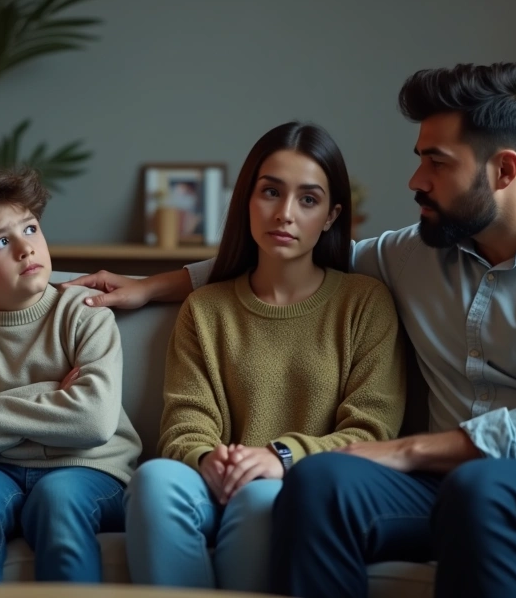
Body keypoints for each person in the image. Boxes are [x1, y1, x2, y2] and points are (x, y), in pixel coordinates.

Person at [63, 63, 516, 598]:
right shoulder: (415, 254)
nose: (415, 181)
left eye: (437, 163)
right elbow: (291, 254)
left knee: (485, 492)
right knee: (324, 480)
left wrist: (404, 450)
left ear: (503, 170)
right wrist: (150, 287)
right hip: (456, 482)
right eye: (419, 160)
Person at [124, 122, 406, 592]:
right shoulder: (206, 308)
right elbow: (184, 423)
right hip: (211, 483)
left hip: (293, 486)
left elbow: (372, 430)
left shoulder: (364, 303)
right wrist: (206, 458)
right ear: (247, 201)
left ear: (332, 216)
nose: (285, 214)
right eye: (270, 192)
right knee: (154, 480)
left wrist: (281, 457)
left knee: (261, 497)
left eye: (308, 199)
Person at [0, 168, 142, 583]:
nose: (25, 248)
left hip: (91, 470)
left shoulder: (84, 312)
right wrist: (53, 392)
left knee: (58, 499)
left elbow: (93, 421)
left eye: (31, 228)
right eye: (2, 241)